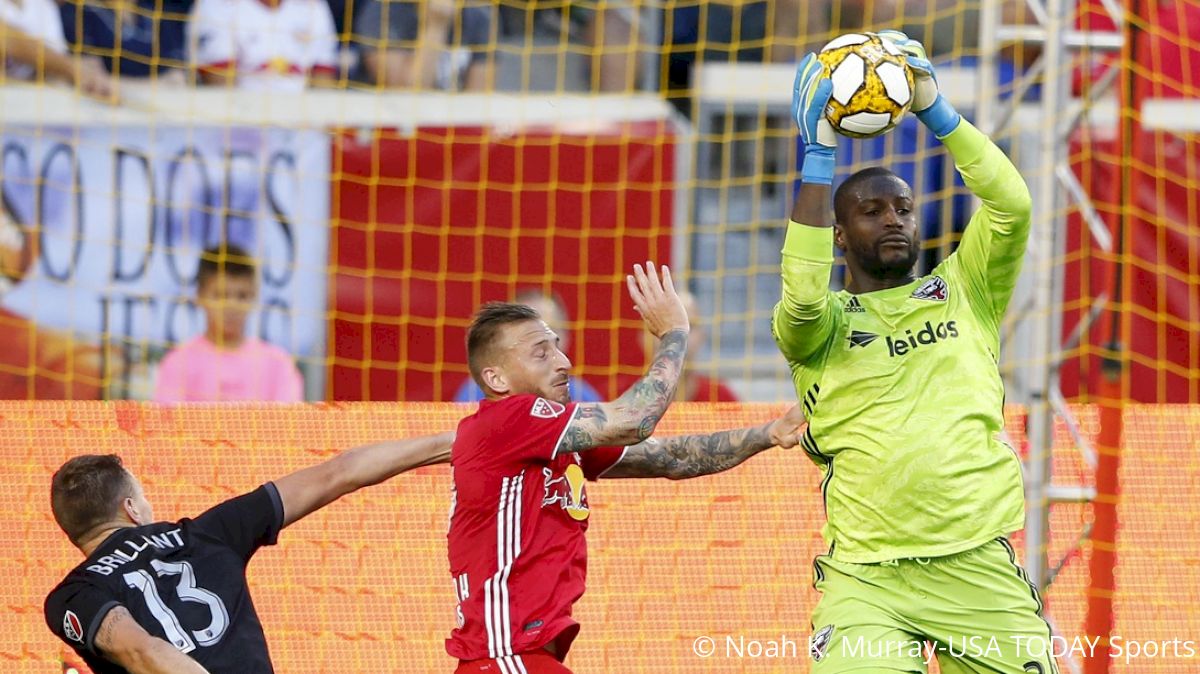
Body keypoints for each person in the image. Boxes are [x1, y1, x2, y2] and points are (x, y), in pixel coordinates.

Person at [780, 35, 1055, 672]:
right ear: (839, 234)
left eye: (903, 207)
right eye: (872, 212)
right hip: (867, 581)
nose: (895, 219)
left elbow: (1011, 207)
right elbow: (799, 294)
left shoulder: (968, 289)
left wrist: (939, 113)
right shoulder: (818, 326)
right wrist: (818, 157)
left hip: (977, 566)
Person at [447, 261, 805, 673]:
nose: (563, 361)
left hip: (522, 658)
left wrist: (768, 434)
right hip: (505, 657)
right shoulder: (512, 419)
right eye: (541, 352)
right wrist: (674, 334)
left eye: (559, 345)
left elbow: (671, 457)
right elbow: (635, 419)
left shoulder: (555, 439)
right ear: (496, 378)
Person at [44, 431, 454, 673]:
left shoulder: (74, 594)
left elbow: (140, 649)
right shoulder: (208, 532)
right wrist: (459, 442)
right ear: (131, 509)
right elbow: (340, 472)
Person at [154, 244, 303, 402]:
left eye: (242, 296)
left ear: (254, 297)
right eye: (221, 296)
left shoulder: (278, 365)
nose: (232, 306)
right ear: (199, 296)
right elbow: (166, 423)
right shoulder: (178, 364)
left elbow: (289, 423)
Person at [452, 289, 601, 403]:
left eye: (553, 330)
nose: (565, 364)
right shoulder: (476, 393)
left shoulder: (582, 395)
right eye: (530, 333)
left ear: (566, 337)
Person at [188, 0, 338, 91]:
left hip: (299, 127)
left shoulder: (313, 5)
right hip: (237, 128)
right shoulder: (217, 5)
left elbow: (322, 78)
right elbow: (219, 86)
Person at [352, 0, 494, 90]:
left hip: (453, 127)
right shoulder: (383, 11)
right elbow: (408, 95)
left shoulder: (480, 15)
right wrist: (436, 26)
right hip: (392, 127)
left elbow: (476, 102)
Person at [638, 288, 738, 402]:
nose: (678, 338)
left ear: (702, 336)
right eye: (666, 326)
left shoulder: (722, 399)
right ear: (643, 338)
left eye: (689, 326)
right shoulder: (619, 398)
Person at [1, 0, 114, 98]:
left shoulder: (43, 5)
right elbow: (8, 39)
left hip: (27, 97)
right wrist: (75, 69)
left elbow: (55, 61)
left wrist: (88, 73)